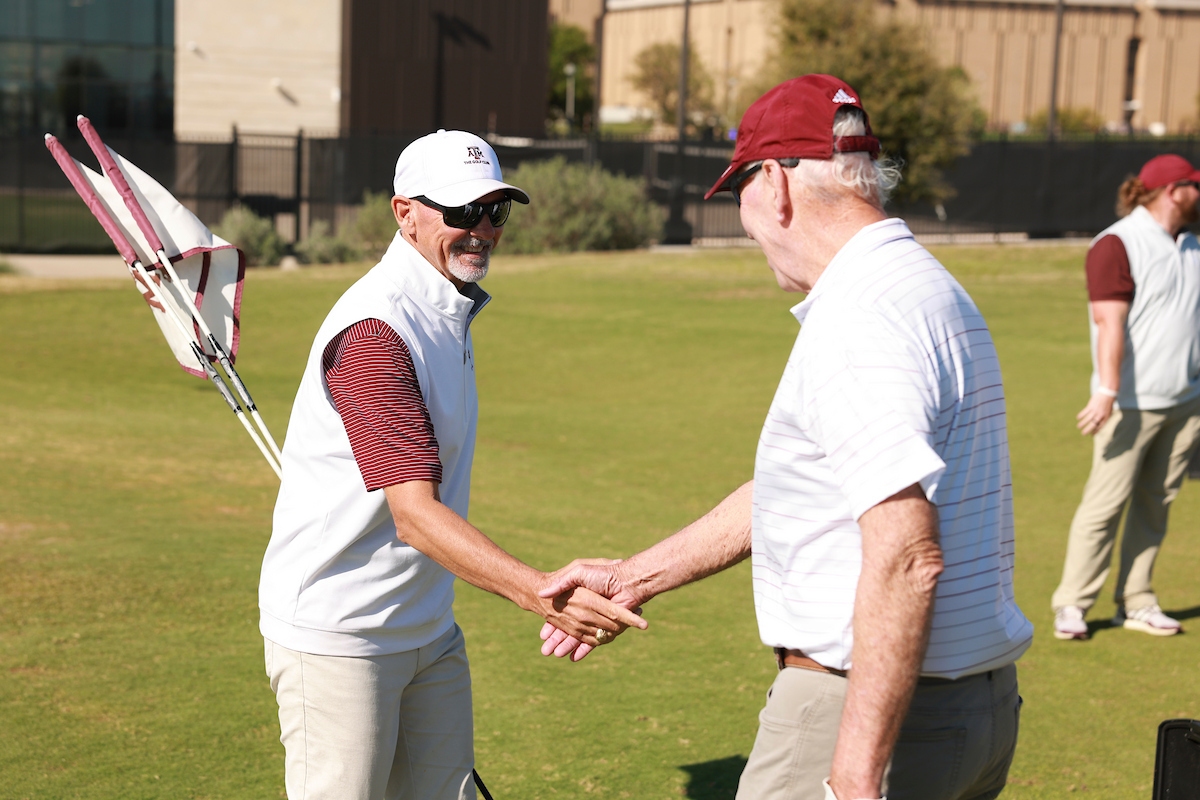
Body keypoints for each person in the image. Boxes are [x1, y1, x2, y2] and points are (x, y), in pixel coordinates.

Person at [538, 74, 1033, 800]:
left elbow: (906, 554)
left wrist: (854, 779)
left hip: (865, 718)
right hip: (976, 712)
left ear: (773, 183)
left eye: (739, 187)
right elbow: (813, 488)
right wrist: (635, 577)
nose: (744, 218)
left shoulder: (858, 316)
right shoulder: (924, 284)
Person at [258, 129, 645, 800]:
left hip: (429, 629)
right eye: (464, 211)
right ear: (404, 213)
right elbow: (414, 516)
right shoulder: (375, 332)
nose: (484, 229)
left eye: (497, 210)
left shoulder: (446, 306)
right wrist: (541, 592)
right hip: (343, 638)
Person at [1051, 154, 1200, 640]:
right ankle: (1072, 603)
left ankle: (1136, 601)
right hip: (1129, 403)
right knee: (1105, 506)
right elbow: (1108, 323)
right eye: (1195, 186)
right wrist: (1107, 390)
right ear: (1173, 190)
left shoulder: (1192, 245)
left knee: (1157, 504)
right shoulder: (1117, 243)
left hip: (1185, 402)